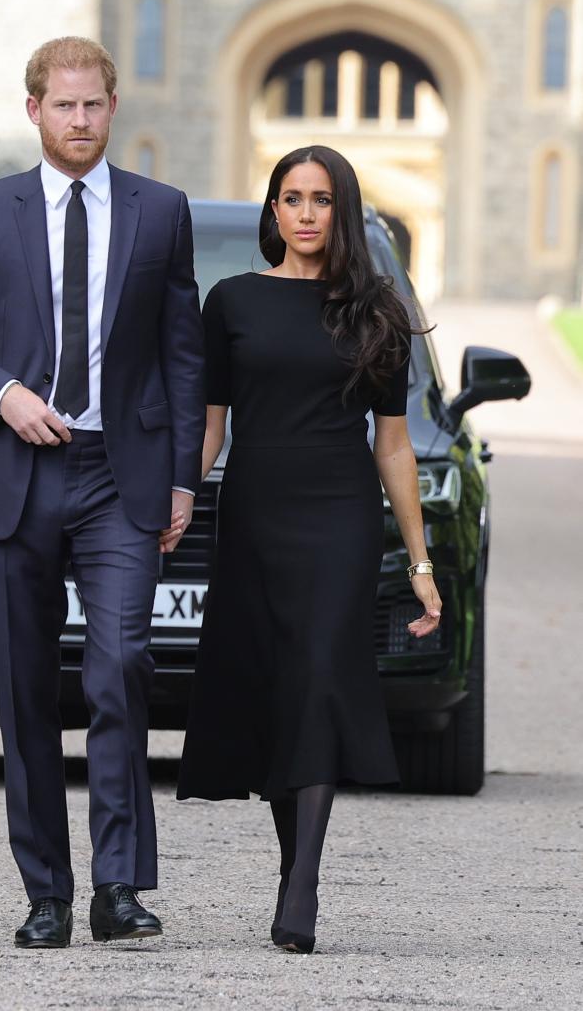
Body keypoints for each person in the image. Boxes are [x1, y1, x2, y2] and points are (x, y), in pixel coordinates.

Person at [0, 37, 205, 949]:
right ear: (33, 109)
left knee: (120, 667)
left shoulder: (162, 212)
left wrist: (185, 475)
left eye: (94, 105)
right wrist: (2, 393)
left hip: (121, 475)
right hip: (15, 473)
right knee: (25, 689)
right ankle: (47, 891)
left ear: (114, 108)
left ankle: (119, 888)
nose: (80, 121)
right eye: (63, 105)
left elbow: (182, 353)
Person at [176, 145, 442, 954]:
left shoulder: (377, 310)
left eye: (320, 199)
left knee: (323, 677)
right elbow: (211, 425)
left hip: (339, 516)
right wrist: (178, 498)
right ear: (273, 210)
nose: (303, 213)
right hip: (255, 510)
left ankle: (302, 886)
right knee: (277, 689)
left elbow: (393, 446)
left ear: (342, 211)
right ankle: (296, 868)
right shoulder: (231, 302)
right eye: (290, 197)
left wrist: (421, 565)